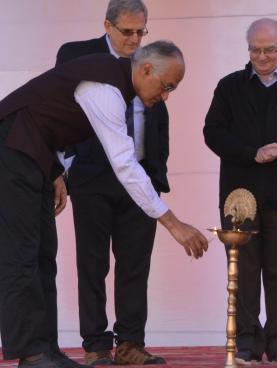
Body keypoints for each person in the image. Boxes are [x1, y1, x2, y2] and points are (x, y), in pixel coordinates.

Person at [0, 40, 208, 368]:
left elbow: (55, 119)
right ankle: (31, 354)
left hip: (36, 156)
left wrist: (55, 170)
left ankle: (47, 350)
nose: (166, 96)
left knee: (44, 255)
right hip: (11, 148)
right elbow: (124, 163)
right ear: (147, 69)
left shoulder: (116, 84)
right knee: (22, 256)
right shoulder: (105, 84)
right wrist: (172, 223)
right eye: (167, 86)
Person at [54, 0, 170, 365]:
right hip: (92, 175)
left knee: (136, 265)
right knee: (92, 264)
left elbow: (159, 105)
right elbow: (58, 111)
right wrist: (61, 167)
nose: (135, 39)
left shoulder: (150, 57)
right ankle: (96, 346)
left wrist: (156, 172)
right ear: (107, 25)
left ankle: (130, 343)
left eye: (141, 31)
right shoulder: (77, 55)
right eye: (127, 32)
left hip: (141, 174)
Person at [203, 18, 277, 366]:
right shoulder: (229, 86)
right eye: (256, 49)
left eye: (270, 49)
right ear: (248, 49)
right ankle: (246, 346)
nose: (263, 56)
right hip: (239, 199)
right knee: (243, 273)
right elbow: (212, 132)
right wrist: (251, 153)